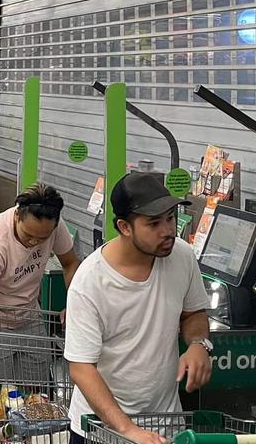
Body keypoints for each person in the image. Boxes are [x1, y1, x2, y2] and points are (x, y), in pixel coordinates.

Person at [65, 172, 213, 444]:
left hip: (164, 425)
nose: (168, 230)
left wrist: (198, 344)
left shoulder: (182, 256)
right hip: (102, 430)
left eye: (170, 218)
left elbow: (193, 313)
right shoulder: (90, 282)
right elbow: (81, 368)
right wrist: (128, 430)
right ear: (124, 227)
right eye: (154, 223)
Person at [0, 183, 81, 380]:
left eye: (42, 238)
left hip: (29, 315)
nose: (34, 243)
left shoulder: (53, 226)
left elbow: (70, 263)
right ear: (17, 215)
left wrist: (73, 304)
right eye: (29, 235)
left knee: (37, 391)